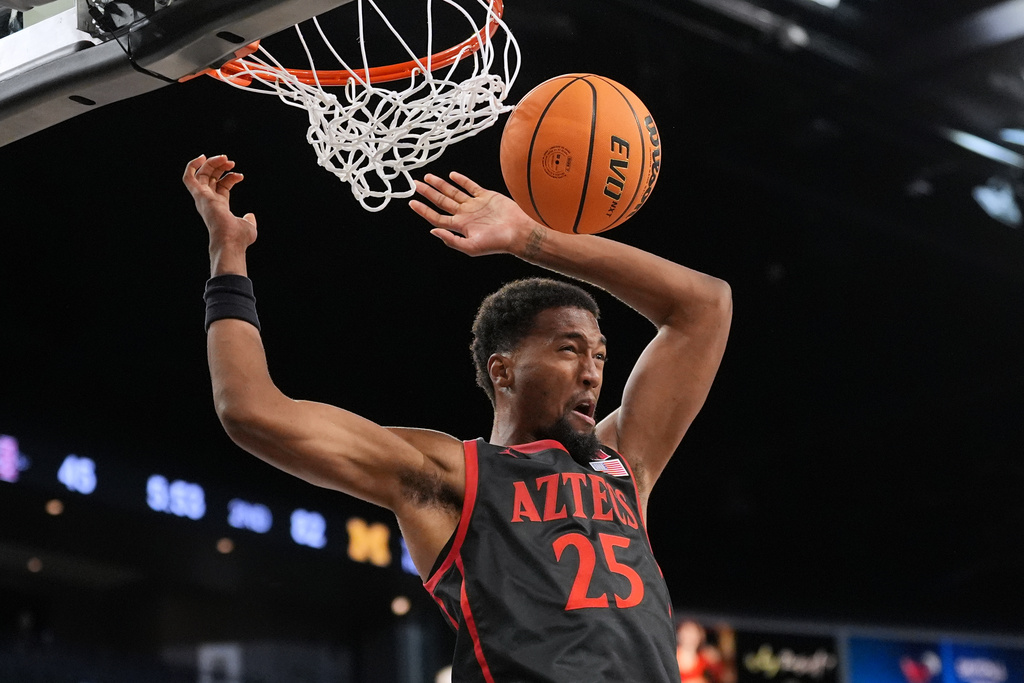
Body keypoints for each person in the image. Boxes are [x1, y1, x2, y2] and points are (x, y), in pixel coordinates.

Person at [182, 153, 732, 682]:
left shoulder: (623, 465)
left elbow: (706, 306)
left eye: (601, 356)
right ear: (503, 371)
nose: (592, 373)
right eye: (569, 349)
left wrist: (531, 239)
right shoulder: (454, 477)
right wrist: (227, 254)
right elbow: (250, 410)